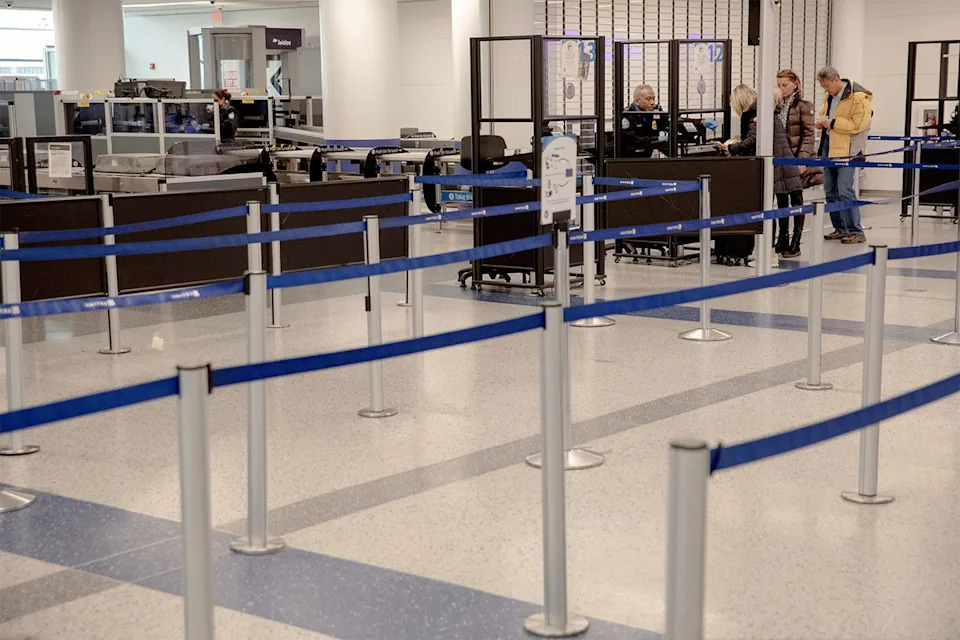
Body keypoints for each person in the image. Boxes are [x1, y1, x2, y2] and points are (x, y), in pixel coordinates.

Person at [720, 84, 803, 229]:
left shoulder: (753, 114)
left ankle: (773, 244)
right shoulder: (767, 110)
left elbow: (752, 140)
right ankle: (784, 243)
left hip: (773, 165)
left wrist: (731, 147)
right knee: (786, 204)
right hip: (784, 160)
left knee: (769, 206)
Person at [815, 66, 873, 244]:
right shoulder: (829, 96)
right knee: (830, 190)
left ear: (836, 80)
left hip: (848, 150)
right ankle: (840, 228)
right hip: (828, 146)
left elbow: (858, 125)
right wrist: (821, 122)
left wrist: (831, 122)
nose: (825, 89)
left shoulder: (859, 98)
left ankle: (856, 231)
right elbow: (823, 115)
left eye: (827, 85)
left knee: (845, 189)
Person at [775, 69, 822, 258]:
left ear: (796, 84)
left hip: (796, 157)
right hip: (780, 158)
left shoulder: (804, 106)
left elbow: (809, 135)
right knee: (780, 198)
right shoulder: (777, 105)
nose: (781, 89)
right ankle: (783, 236)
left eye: (784, 85)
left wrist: (802, 159)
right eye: (778, 86)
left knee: (796, 198)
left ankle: (796, 239)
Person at [621, 84, 666, 157]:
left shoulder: (656, 110)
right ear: (637, 101)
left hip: (648, 152)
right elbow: (632, 140)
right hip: (629, 156)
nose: (652, 103)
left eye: (653, 99)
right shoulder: (628, 115)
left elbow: (665, 125)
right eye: (648, 99)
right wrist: (657, 138)